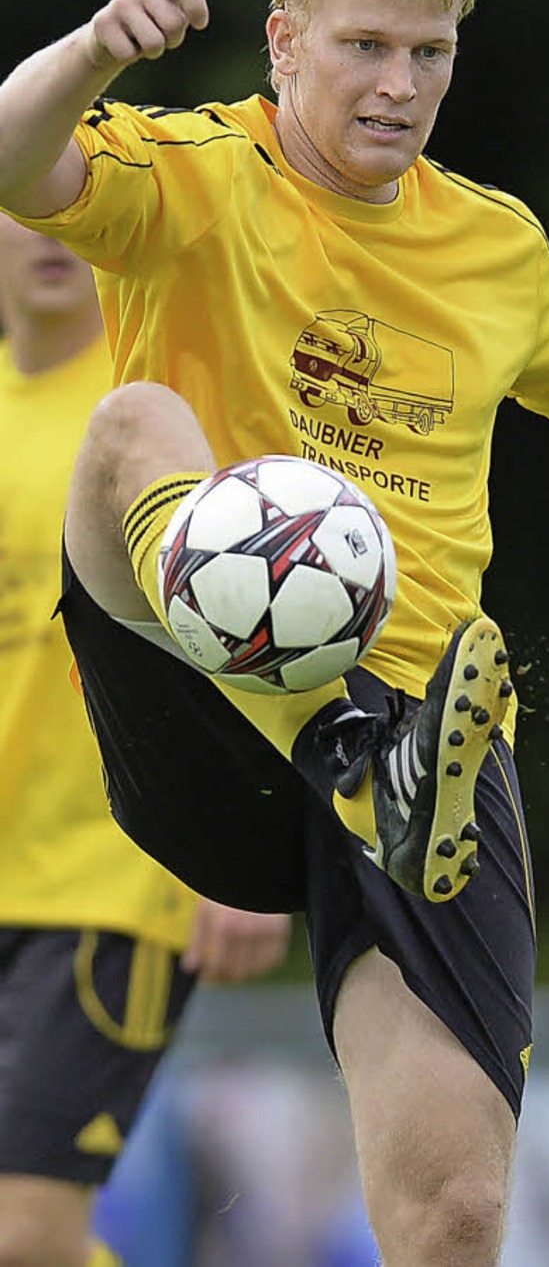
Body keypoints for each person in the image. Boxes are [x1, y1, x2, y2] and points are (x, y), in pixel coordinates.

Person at [0, 0, 549, 1267]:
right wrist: (102, 50)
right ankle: (329, 728)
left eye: (431, 54)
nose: (400, 85)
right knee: (125, 430)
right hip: (196, 692)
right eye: (367, 45)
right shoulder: (194, 173)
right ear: (285, 39)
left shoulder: (499, 249)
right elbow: (11, 158)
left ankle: (378, 768)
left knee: (455, 1213)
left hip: (428, 751)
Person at [0, 213, 291, 1267]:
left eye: (62, 210)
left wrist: (241, 857)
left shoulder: (149, 418)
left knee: (26, 1236)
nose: (44, 236)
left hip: (110, 888)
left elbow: (252, 625)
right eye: (17, 204)